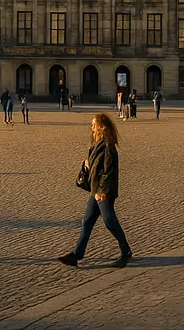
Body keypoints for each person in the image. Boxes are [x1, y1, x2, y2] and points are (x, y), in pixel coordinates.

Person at [57, 113, 132, 269]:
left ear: (101, 126)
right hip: (95, 190)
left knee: (109, 221)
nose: (91, 128)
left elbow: (108, 172)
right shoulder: (96, 145)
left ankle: (126, 252)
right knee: (87, 221)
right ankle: (77, 254)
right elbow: (93, 165)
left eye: (93, 125)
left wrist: (102, 191)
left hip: (104, 192)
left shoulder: (108, 147)